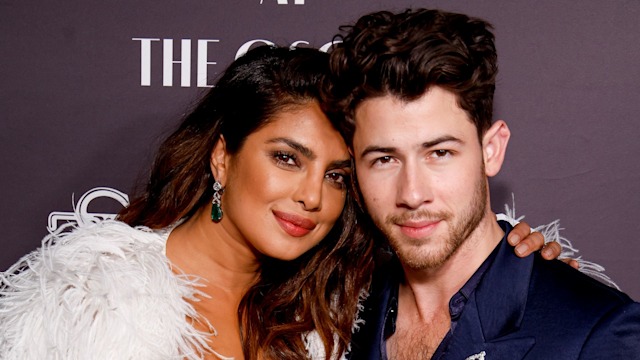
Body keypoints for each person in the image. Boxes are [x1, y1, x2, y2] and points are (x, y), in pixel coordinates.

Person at [0, 45, 555, 360]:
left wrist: (522, 267)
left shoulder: (331, 316)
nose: (312, 196)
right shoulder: (90, 296)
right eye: (287, 158)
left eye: (337, 176)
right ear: (223, 157)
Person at [327, 8, 640, 359]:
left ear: (490, 150)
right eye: (384, 160)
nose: (412, 194)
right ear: (355, 170)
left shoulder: (598, 332)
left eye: (440, 153)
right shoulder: (329, 318)